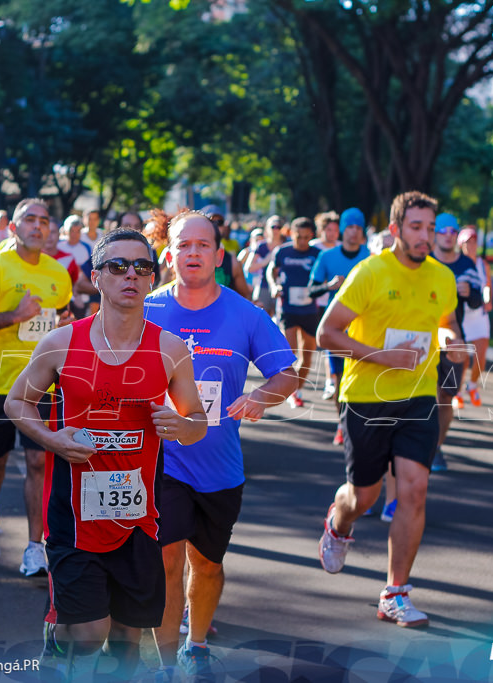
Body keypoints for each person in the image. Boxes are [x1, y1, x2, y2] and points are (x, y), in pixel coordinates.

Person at [4, 228, 206, 680]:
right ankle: (59, 636)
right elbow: (16, 403)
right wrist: (55, 440)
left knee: (126, 640)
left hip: (138, 514)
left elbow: (197, 424)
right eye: (117, 266)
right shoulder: (61, 343)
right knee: (90, 633)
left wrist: (183, 426)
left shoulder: (170, 350)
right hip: (73, 515)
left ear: (153, 279)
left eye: (142, 267)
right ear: (96, 276)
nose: (130, 275)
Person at [145, 210, 300, 681]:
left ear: (218, 253)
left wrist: (260, 396)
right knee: (168, 560)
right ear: (168, 254)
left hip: (219, 466)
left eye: (202, 245)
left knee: (207, 565)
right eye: (183, 245)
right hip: (161, 460)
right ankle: (167, 663)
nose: (192, 253)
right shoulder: (146, 309)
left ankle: (198, 641)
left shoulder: (245, 314)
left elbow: (288, 373)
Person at [315, 191, 461, 629]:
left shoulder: (443, 277)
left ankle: (394, 593)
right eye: (416, 228)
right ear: (396, 230)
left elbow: (447, 324)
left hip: (419, 396)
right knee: (365, 495)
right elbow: (327, 333)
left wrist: (451, 340)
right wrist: (381, 356)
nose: (425, 237)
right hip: (366, 397)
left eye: (430, 229)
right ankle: (339, 524)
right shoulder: (370, 272)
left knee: (414, 489)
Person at [0, 198, 74, 577]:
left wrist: (65, 324)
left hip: (43, 386)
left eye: (44, 220)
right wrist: (15, 316)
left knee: (39, 462)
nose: (37, 227)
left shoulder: (60, 274)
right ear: (14, 228)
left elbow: (59, 324)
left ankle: (35, 548)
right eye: (29, 220)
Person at [309, 208, 371, 441]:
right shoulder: (327, 257)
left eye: (358, 228)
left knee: (359, 380)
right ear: (342, 230)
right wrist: (329, 286)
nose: (353, 232)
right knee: (338, 381)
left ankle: (358, 425)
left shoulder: (370, 258)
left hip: (364, 330)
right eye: (350, 227)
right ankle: (342, 424)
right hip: (336, 329)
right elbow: (312, 290)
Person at [430, 214, 483, 473]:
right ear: (434, 234)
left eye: (453, 231)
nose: (448, 235)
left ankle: (436, 447)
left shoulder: (466, 264)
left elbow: (478, 301)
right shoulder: (424, 261)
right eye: (443, 230)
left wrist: (470, 293)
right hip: (424, 337)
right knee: (422, 395)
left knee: (446, 396)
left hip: (454, 337)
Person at [267, 217, 321, 408]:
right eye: (299, 237)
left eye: (307, 238)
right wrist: (274, 285)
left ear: (312, 236)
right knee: (291, 354)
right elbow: (270, 271)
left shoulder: (318, 253)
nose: (303, 242)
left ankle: (296, 389)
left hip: (309, 309)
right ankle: (290, 391)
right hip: (288, 309)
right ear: (292, 234)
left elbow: (325, 275)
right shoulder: (283, 251)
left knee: (307, 356)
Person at [457, 226, 492, 407]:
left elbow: (487, 285)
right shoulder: (457, 262)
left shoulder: (482, 264)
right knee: (461, 357)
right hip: (461, 316)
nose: (471, 245)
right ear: (460, 245)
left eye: (473, 241)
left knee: (481, 352)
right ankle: (457, 390)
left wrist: (488, 300)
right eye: (467, 242)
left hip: (479, 314)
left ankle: (472, 385)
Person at [245, 216, 286, 317]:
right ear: (267, 228)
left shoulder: (286, 245)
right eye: (273, 227)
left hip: (282, 286)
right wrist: (265, 261)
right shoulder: (261, 246)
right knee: (262, 317)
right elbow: (249, 267)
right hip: (263, 286)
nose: (276, 230)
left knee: (280, 319)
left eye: (279, 227)